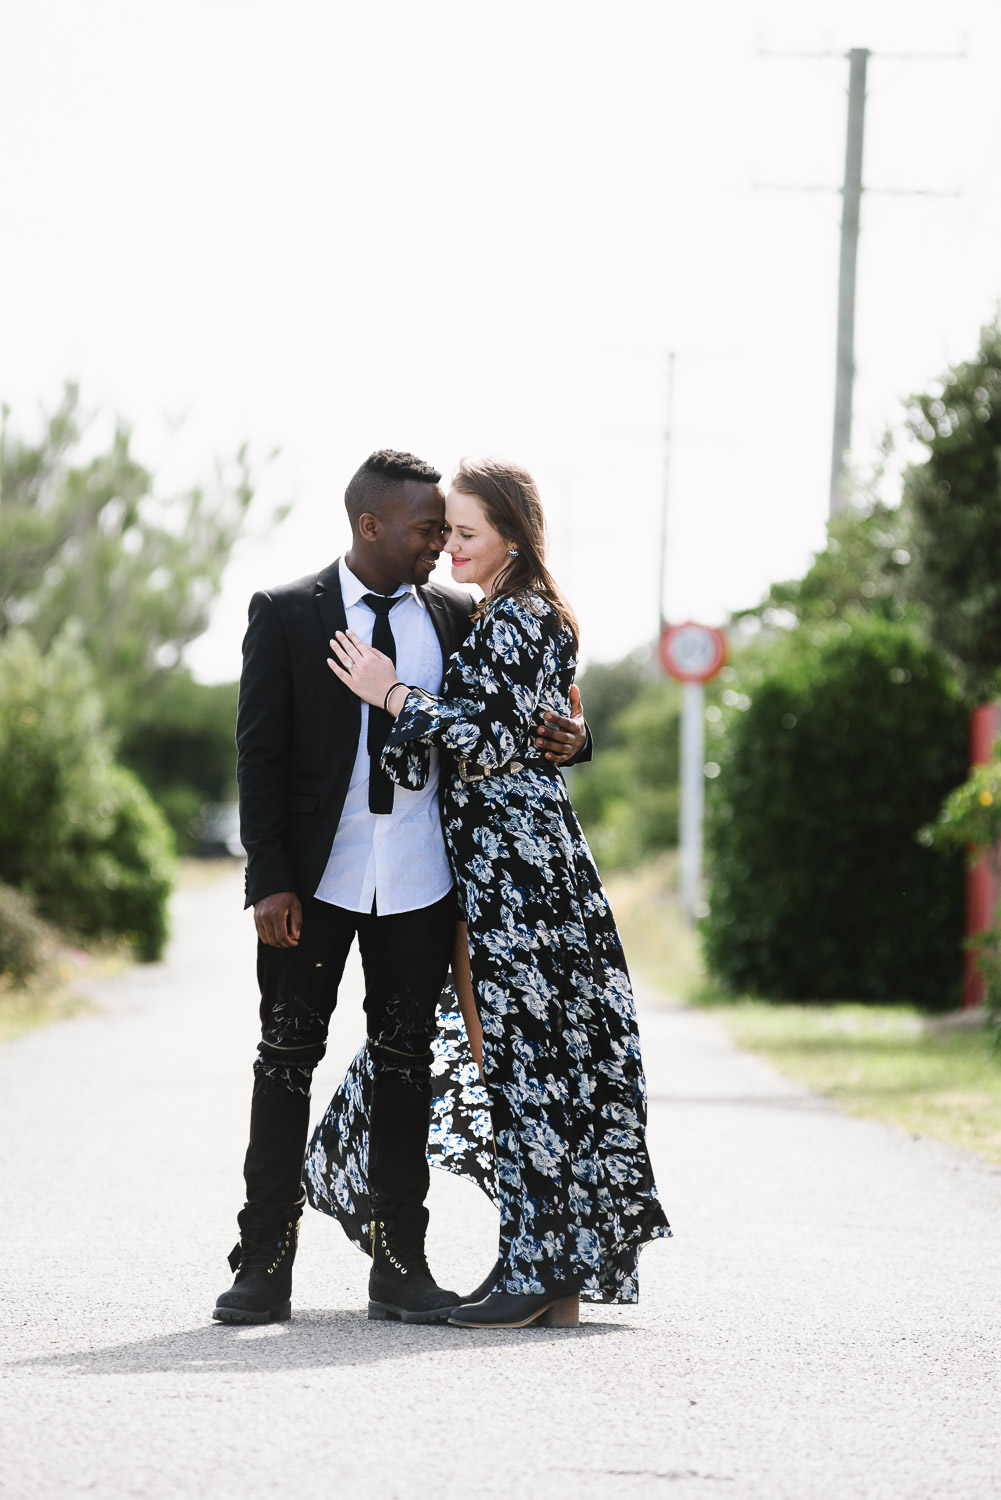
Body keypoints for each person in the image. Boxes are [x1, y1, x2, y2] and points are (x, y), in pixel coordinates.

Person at [213, 450, 588, 1327]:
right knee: (285, 1063)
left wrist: (578, 737)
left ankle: (399, 1266)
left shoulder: (460, 612)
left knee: (405, 1068)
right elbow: (258, 756)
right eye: (425, 529)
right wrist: (268, 880)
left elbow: (514, 714)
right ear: (368, 525)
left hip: (424, 882)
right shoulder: (286, 612)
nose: (437, 546)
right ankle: (262, 1262)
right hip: (317, 884)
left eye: (447, 530)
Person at [325, 456, 670, 1330]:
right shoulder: (506, 614)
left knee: (526, 1063)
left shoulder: (517, 617)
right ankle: (548, 1269)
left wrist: (390, 691)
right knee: (531, 1062)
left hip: (518, 875)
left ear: (511, 537)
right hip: (506, 865)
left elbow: (486, 742)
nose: (447, 547)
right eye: (442, 531)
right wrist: (568, 736)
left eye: (465, 533)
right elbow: (532, 727)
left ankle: (539, 1264)